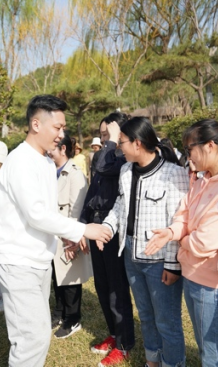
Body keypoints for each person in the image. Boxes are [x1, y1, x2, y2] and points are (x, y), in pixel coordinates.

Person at [0, 95, 113, 367]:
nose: (61, 134)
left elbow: (48, 211)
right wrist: (83, 229)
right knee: (32, 338)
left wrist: (65, 233)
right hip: (18, 260)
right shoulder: (21, 160)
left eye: (63, 127)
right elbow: (36, 214)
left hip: (38, 258)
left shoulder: (45, 161)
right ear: (36, 124)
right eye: (57, 127)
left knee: (35, 333)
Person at [145, 120, 218, 367]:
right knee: (206, 349)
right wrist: (172, 231)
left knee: (215, 357)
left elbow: (205, 241)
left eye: (190, 149)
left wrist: (180, 237)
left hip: (214, 287)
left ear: (210, 146)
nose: (188, 156)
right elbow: (183, 215)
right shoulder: (202, 180)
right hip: (194, 277)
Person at [100, 117, 190, 367]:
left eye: (122, 142)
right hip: (132, 254)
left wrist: (172, 265)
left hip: (159, 261)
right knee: (146, 316)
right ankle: (153, 361)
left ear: (137, 143)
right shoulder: (126, 170)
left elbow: (178, 220)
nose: (120, 147)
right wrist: (107, 227)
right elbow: (120, 205)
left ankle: (172, 363)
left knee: (167, 321)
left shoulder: (173, 174)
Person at [83, 111, 135, 365]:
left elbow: (102, 165)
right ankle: (114, 333)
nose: (104, 139)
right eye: (102, 135)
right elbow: (92, 191)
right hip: (96, 225)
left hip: (113, 228)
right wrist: (83, 225)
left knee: (117, 288)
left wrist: (114, 141)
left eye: (108, 134)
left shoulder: (124, 157)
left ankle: (124, 343)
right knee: (102, 285)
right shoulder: (106, 153)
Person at [50, 134, 93, 340]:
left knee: (70, 279)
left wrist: (73, 239)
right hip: (53, 234)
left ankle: (72, 318)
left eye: (53, 148)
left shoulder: (75, 174)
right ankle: (59, 313)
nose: (49, 152)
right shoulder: (50, 171)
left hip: (68, 236)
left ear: (63, 149)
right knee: (57, 278)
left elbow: (77, 209)